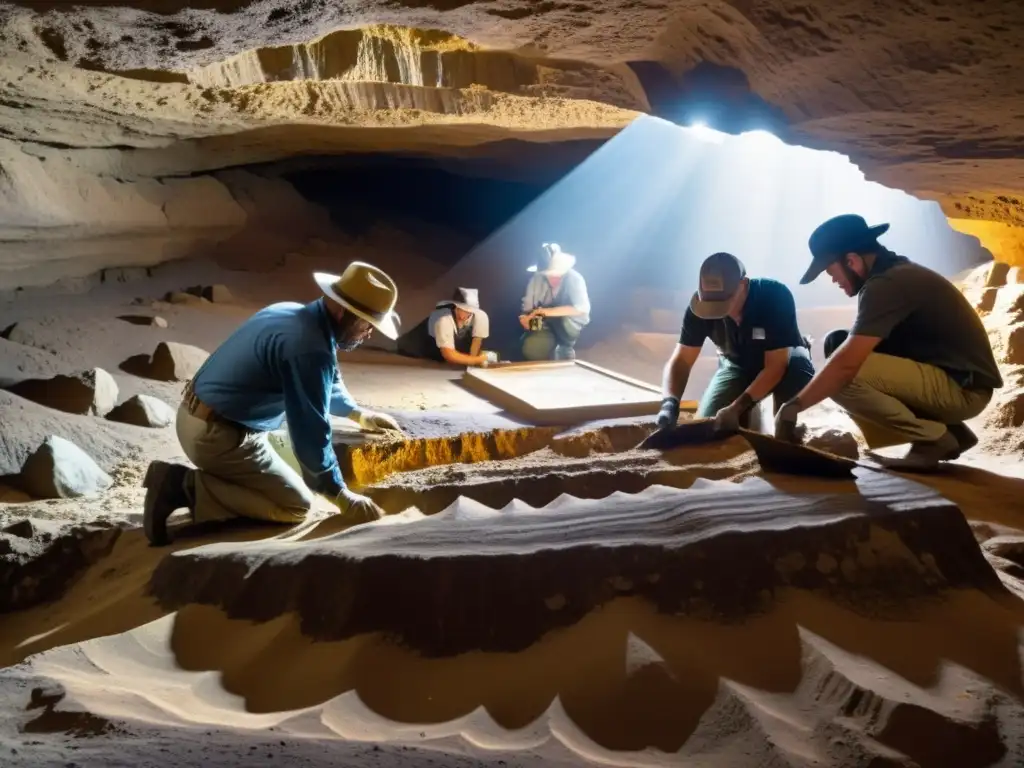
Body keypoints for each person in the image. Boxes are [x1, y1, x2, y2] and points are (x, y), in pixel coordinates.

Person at [141, 261, 405, 546]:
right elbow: (310, 431)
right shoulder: (309, 348)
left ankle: (227, 477)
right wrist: (338, 494)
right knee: (297, 505)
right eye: (367, 324)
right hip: (218, 437)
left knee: (302, 465)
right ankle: (183, 486)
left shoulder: (292, 313)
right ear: (344, 312)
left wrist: (358, 414)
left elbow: (327, 382)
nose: (369, 333)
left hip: (201, 416)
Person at [774, 213, 1003, 469]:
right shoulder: (893, 274)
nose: (833, 279)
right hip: (956, 381)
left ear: (851, 260)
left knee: (841, 376)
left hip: (964, 391)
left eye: (831, 271)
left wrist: (793, 406)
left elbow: (846, 366)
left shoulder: (886, 285)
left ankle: (933, 438)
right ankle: (952, 433)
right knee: (836, 344)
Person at [658, 251, 815, 433]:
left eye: (723, 302)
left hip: (786, 361)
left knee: (787, 425)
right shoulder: (699, 308)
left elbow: (776, 367)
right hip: (736, 365)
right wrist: (669, 403)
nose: (715, 310)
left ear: (743, 284)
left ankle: (775, 422)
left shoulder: (774, 296)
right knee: (710, 426)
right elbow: (682, 360)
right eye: (710, 304)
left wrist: (737, 407)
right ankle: (749, 416)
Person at [519, 242, 591, 361]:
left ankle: (565, 348)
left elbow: (582, 308)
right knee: (530, 350)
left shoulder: (575, 278)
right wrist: (524, 319)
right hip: (545, 325)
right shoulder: (536, 279)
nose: (552, 276)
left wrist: (545, 311)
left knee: (562, 352)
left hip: (571, 325)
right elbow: (526, 307)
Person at [396, 287, 498, 367]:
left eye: (469, 310)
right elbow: (449, 355)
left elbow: (476, 344)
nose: (465, 314)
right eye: (462, 309)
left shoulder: (481, 317)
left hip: (440, 353)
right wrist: (481, 359)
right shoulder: (443, 318)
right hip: (415, 348)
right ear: (455, 306)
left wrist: (473, 362)